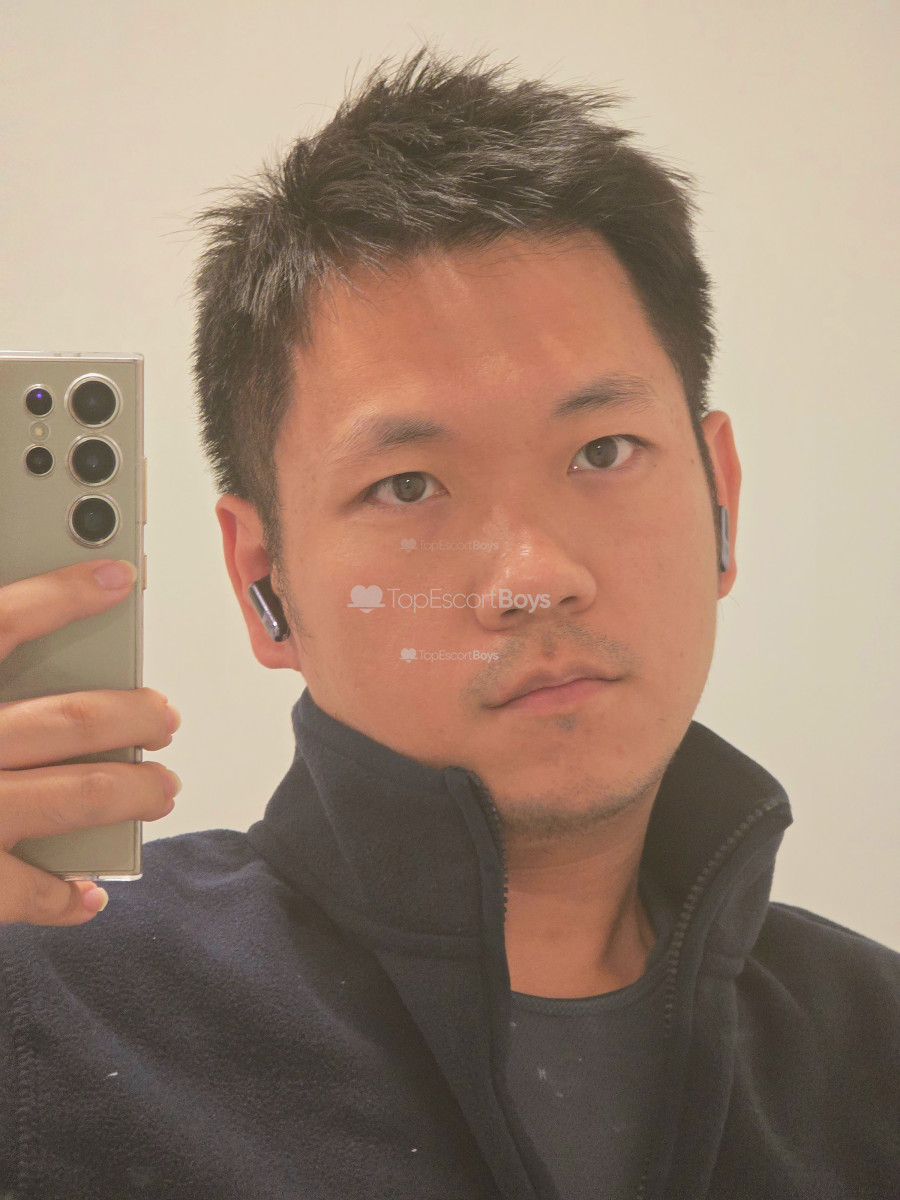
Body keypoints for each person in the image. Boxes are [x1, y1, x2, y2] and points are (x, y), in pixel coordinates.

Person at [0, 48, 896, 1200]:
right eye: (410, 486)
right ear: (265, 578)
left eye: (603, 451)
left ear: (720, 495)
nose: (534, 577)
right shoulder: (49, 1008)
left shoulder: (874, 1054)